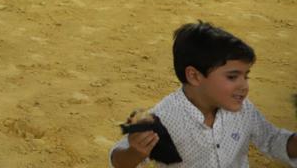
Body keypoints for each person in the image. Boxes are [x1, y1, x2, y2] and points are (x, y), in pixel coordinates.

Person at [108, 21, 296, 167]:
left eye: (245, 76)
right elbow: (119, 160)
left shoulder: (244, 108)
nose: (244, 86)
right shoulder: (164, 117)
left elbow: (272, 140)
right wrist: (136, 152)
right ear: (195, 76)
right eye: (232, 77)